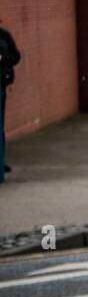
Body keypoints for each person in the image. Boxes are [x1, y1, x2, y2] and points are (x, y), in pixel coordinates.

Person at [0, 21, 19, 181]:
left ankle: (1, 159)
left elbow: (16, 56)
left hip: (1, 86)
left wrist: (2, 58)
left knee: (0, 125)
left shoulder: (4, 35)